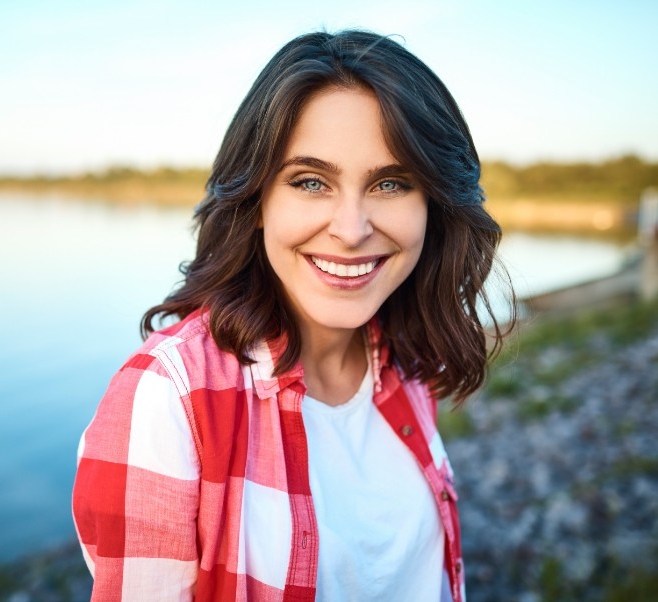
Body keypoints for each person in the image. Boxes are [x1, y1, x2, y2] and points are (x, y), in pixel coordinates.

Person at [72, 29, 514, 602]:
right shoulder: (166, 400)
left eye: (391, 183)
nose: (352, 230)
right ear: (257, 201)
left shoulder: (404, 360)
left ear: (433, 203)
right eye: (311, 182)